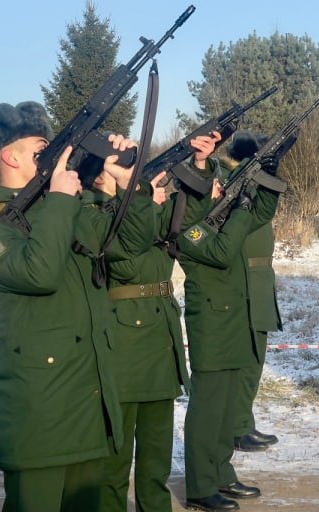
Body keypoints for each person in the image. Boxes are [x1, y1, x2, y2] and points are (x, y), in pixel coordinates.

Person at [0, 101, 155, 511]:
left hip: (89, 402)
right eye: (40, 147)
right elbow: (41, 272)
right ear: (9, 156)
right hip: (42, 416)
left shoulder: (61, 208)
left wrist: (129, 182)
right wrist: (61, 201)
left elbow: (130, 244)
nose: (52, 154)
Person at [92, 133, 220, 512]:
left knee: (156, 455)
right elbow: (125, 252)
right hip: (124, 344)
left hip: (160, 341)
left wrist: (199, 164)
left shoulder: (146, 212)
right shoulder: (97, 218)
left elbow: (191, 215)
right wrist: (138, 197)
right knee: (115, 459)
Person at [168, 150, 281, 511]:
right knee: (208, 411)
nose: (220, 188)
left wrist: (267, 177)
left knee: (227, 408)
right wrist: (241, 207)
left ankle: (221, 473)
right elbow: (222, 250)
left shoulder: (218, 219)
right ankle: (201, 485)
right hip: (212, 327)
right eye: (214, 185)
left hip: (233, 322)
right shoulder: (189, 228)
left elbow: (261, 214)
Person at [219, 132, 281, 453]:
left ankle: (243, 422)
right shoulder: (237, 183)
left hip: (259, 279)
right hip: (245, 280)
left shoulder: (253, 182)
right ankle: (238, 427)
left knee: (255, 358)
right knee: (247, 360)